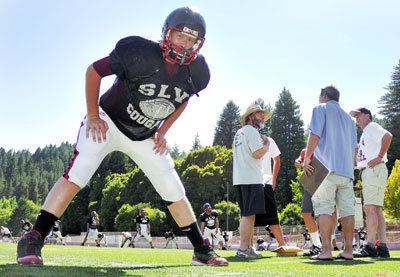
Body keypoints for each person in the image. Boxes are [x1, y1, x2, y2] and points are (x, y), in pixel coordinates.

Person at [16, 7, 227, 266]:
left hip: (145, 133)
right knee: (79, 172)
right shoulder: (138, 52)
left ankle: (200, 249)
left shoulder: (198, 71)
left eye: (191, 40)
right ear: (166, 34)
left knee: (172, 186)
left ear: (199, 44)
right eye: (179, 36)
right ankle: (35, 235)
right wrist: (93, 115)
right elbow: (94, 70)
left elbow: (183, 99)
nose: (184, 44)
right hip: (108, 121)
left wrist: (163, 131)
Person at [302, 85, 358, 260]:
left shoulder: (320, 109)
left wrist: (307, 159)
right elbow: (355, 149)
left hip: (325, 168)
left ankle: (326, 251)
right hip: (346, 171)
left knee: (324, 210)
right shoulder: (350, 120)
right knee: (347, 212)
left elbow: (315, 135)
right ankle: (348, 251)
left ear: (324, 95)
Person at [350, 107, 392, 258]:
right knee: (377, 210)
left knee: (369, 208)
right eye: (355, 116)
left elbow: (388, 136)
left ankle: (370, 246)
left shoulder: (372, 127)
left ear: (368, 116)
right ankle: (382, 246)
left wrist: (380, 156)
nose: (356, 118)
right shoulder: (366, 132)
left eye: (358, 115)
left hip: (373, 170)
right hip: (374, 171)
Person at [233, 104, 271, 258]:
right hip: (251, 178)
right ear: (250, 117)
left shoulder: (239, 132)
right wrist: (267, 144)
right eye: (259, 114)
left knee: (247, 214)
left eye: (263, 114)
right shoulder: (252, 132)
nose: (262, 117)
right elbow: (257, 153)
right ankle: (243, 248)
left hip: (240, 178)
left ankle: (248, 247)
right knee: (248, 215)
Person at [258, 136, 287, 249]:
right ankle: (249, 247)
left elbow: (277, 159)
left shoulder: (270, 140)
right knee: (249, 216)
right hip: (250, 181)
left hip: (266, 181)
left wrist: (273, 179)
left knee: (272, 215)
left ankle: (282, 245)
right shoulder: (246, 138)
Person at [294, 149, 322, 256]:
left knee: (329, 212)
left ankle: (329, 245)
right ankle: (317, 245)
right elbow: (301, 156)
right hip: (310, 179)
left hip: (327, 177)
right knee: (306, 213)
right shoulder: (306, 149)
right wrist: (298, 160)